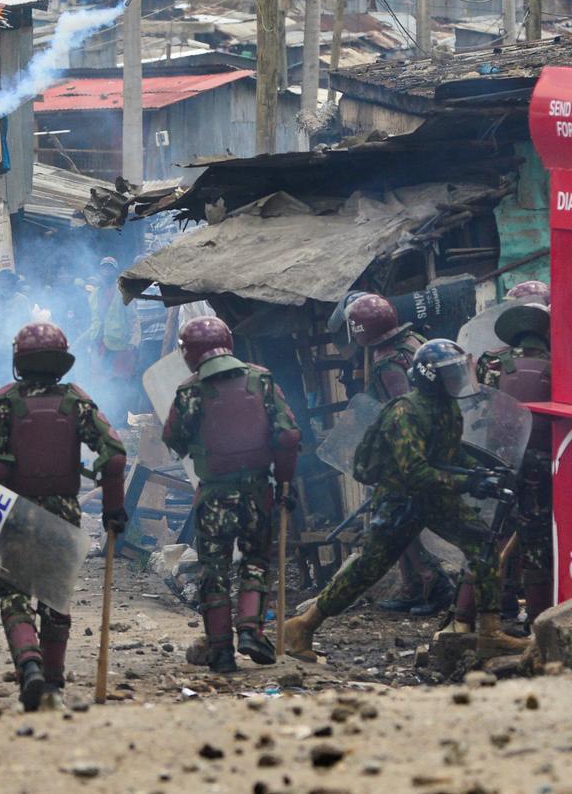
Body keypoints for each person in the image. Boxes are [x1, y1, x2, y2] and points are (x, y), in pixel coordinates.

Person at [284, 340, 530, 661]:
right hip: (399, 502)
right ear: (430, 377)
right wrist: (469, 481)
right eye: (450, 374)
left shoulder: (446, 408)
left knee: (482, 546)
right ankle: (304, 625)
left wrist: (485, 473)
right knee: (368, 569)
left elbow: (451, 453)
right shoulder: (405, 413)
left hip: (434, 497)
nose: (457, 379)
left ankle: (489, 633)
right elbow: (416, 472)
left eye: (458, 372)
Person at [0, 322, 127, 710]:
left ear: (18, 360)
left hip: (13, 508)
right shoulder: (75, 402)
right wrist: (114, 509)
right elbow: (113, 455)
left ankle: (28, 663)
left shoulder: (2, 402)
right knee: (55, 598)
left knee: (14, 593)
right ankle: (53, 684)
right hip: (63, 509)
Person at [162, 317, 301, 673]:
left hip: (213, 497)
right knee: (256, 560)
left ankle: (221, 650)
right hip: (258, 492)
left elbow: (173, 438)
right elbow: (287, 436)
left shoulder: (189, 391)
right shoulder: (261, 379)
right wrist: (284, 483)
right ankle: (251, 630)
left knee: (215, 570)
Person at [346, 294, 455, 617]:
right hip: (436, 437)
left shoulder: (388, 361)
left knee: (397, 519)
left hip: (407, 450)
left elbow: (403, 409)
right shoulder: (415, 341)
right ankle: (414, 586)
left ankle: (430, 582)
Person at [471, 301, 553, 631]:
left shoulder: (490, 362)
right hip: (543, 461)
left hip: (500, 459)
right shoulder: (558, 363)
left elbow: (478, 406)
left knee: (495, 531)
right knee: (537, 538)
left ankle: (492, 607)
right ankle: (538, 617)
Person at [86, 257, 140, 419]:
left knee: (120, 382)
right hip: (99, 345)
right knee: (100, 381)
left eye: (110, 268)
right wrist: (90, 341)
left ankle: (121, 418)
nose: (106, 271)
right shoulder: (94, 294)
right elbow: (94, 319)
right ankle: (105, 415)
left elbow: (133, 319)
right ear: (99, 271)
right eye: (104, 268)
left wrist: (133, 342)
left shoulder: (123, 292)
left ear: (115, 272)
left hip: (120, 346)